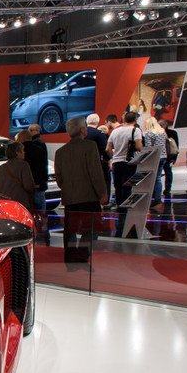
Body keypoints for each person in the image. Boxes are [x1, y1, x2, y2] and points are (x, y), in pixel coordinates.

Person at [54, 117, 108, 267]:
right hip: (89, 197)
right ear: (83, 130)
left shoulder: (60, 152)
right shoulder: (90, 146)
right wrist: (102, 192)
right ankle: (82, 256)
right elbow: (95, 172)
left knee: (70, 229)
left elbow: (59, 178)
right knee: (90, 228)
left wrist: (68, 188)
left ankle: (71, 258)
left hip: (70, 198)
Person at [106, 111, 143, 238]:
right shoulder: (135, 131)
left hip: (116, 163)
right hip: (130, 163)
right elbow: (139, 146)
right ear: (135, 120)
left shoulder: (115, 131)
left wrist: (114, 157)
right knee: (128, 187)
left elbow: (108, 149)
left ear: (124, 119)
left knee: (118, 187)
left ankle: (119, 208)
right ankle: (125, 211)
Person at [0, 142, 36, 211]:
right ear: (17, 152)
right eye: (22, 150)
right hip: (19, 203)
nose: (24, 152)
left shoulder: (2, 167)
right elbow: (28, 186)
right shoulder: (23, 165)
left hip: (4, 204)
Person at [141, 116, 167, 210]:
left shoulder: (149, 133)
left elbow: (149, 148)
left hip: (155, 157)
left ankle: (155, 199)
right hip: (163, 156)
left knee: (153, 179)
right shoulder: (162, 132)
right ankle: (158, 199)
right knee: (158, 178)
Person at [85, 114, 112, 202]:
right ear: (97, 122)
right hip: (96, 162)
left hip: (82, 162)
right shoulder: (99, 133)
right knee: (105, 180)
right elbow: (104, 149)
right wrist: (109, 160)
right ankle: (104, 201)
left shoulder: (81, 133)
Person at [159, 119, 179, 200]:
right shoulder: (157, 133)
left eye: (162, 125)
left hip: (169, 157)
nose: (161, 127)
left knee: (168, 173)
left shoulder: (172, 133)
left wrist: (174, 158)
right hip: (160, 157)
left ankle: (167, 189)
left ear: (166, 125)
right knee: (159, 175)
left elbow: (175, 146)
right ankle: (158, 190)